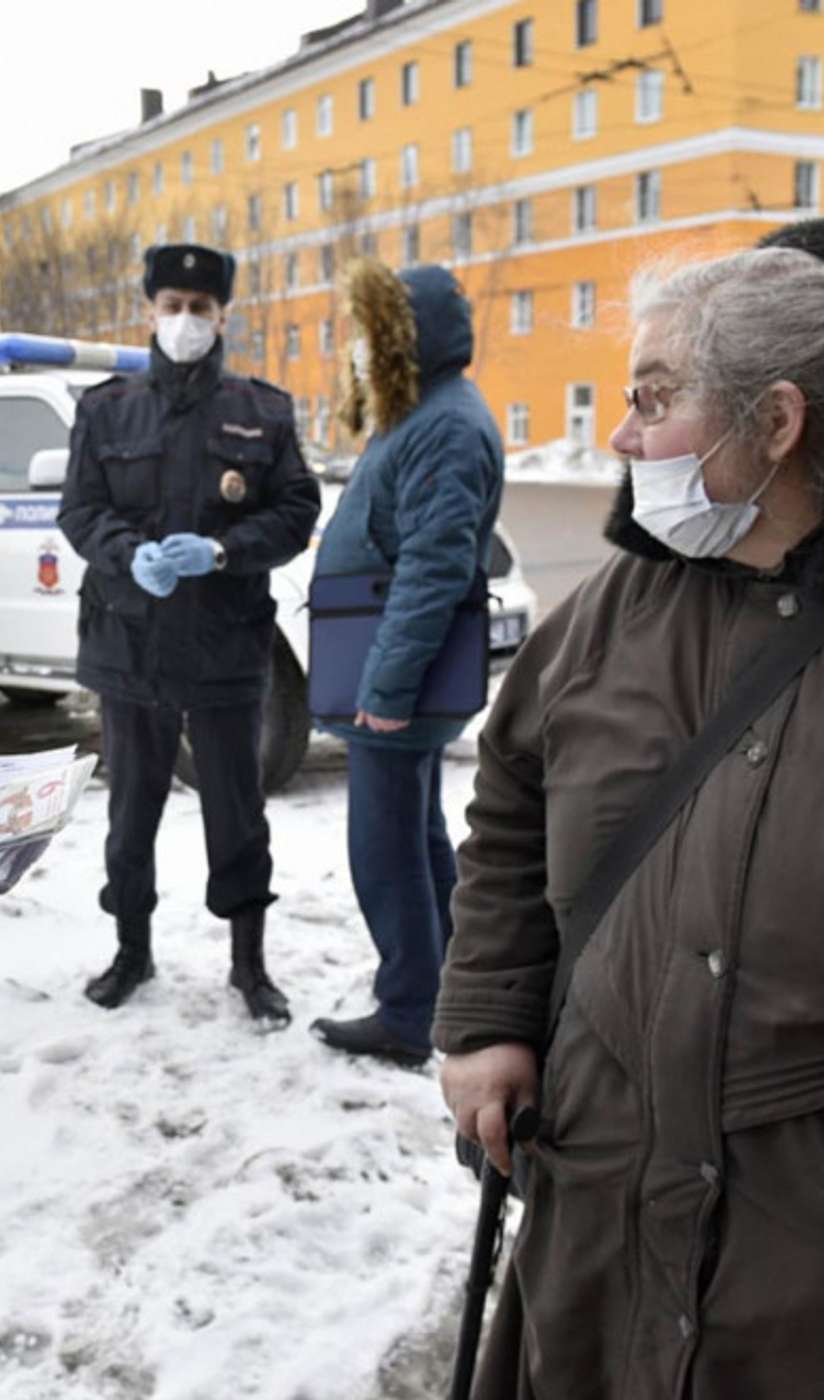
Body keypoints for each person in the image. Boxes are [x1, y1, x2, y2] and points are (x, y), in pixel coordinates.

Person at [437, 246, 824, 1398]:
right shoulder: (613, 606)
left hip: (788, 1248)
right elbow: (509, 805)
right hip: (598, 1193)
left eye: (653, 397)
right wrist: (487, 1017)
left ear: (774, 420)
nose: (619, 434)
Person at [57, 242, 320, 1025]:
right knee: (129, 813)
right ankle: (131, 950)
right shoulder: (106, 410)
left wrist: (221, 550)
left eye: (199, 309)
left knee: (237, 812)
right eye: (171, 305)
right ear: (149, 311)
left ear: (223, 317)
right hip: (128, 648)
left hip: (226, 650)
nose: (184, 321)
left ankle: (250, 963)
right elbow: (79, 510)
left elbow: (296, 511)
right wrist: (125, 554)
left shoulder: (262, 412)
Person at [306, 259, 503, 1067]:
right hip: (398, 680)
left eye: (367, 333)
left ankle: (409, 1013)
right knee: (418, 841)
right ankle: (452, 987)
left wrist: (384, 689)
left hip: (398, 690)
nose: (357, 348)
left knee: (384, 854)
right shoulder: (423, 412)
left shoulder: (445, 424)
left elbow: (433, 567)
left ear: (401, 338)